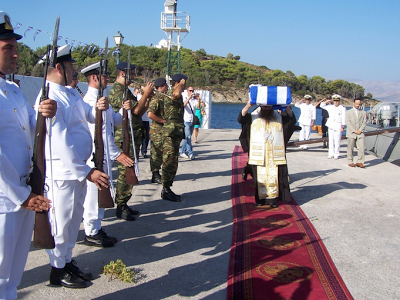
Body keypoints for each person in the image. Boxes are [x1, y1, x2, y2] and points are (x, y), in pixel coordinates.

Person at [34, 44, 110, 289]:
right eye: (70, 66)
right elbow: (59, 140)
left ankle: (66, 261)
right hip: (63, 172)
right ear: (58, 67)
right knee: (61, 222)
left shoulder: (71, 92)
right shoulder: (50, 97)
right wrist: (86, 171)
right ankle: (57, 270)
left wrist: (98, 107)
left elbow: (87, 114)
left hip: (77, 169)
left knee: (73, 219)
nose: (74, 70)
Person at [0, 11, 56, 299]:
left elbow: (31, 132)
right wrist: (21, 195)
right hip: (5, 197)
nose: (16, 54)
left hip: (25, 190)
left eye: (15, 47)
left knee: (13, 274)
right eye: (8, 48)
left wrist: (46, 115)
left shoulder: (11, 89)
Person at [80, 61, 134, 247]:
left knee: (102, 193)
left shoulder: (103, 100)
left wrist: (123, 110)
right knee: (94, 195)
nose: (108, 78)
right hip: (96, 156)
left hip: (104, 156)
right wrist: (117, 154)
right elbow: (101, 132)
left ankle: (96, 227)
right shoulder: (90, 102)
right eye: (105, 76)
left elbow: (114, 122)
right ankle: (91, 232)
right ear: (95, 78)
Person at [108, 62, 153, 221]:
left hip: (133, 135)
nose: (133, 77)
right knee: (124, 172)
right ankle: (120, 206)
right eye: (131, 74)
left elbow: (139, 113)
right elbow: (134, 110)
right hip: (124, 137)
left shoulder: (126, 90)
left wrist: (147, 98)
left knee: (130, 170)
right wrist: (145, 94)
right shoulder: (117, 91)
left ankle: (124, 203)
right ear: (122, 73)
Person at [238, 100, 296, 208]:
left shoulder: (278, 116)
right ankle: (260, 199)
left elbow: (291, 121)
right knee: (259, 177)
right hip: (260, 152)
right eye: (265, 106)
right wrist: (248, 106)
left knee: (274, 175)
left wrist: (287, 107)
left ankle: (273, 200)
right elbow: (241, 119)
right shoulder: (254, 116)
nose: (267, 109)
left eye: (269, 107)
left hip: (273, 152)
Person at [161, 74, 187, 202]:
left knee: (172, 162)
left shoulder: (178, 94)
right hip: (170, 133)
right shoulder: (173, 92)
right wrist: (180, 84)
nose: (185, 85)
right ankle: (165, 189)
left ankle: (167, 188)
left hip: (175, 133)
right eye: (184, 83)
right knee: (169, 161)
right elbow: (176, 94)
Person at [148, 77, 168, 184]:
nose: (167, 87)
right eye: (165, 85)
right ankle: (155, 174)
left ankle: (157, 173)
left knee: (161, 153)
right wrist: (162, 121)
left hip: (162, 131)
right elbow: (150, 114)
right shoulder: (157, 98)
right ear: (161, 87)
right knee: (156, 153)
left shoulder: (163, 97)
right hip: (157, 131)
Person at [320, 94, 346, 159]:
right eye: (334, 100)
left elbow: (344, 118)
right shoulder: (330, 107)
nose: (336, 102)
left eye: (337, 101)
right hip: (331, 125)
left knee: (337, 141)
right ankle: (330, 153)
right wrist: (328, 101)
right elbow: (321, 105)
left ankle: (336, 154)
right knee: (330, 140)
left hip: (338, 125)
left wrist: (343, 126)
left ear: (339, 101)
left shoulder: (342, 108)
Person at [346, 98, 367, 168]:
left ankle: (360, 161)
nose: (358, 105)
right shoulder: (348, 112)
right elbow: (348, 123)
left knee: (361, 147)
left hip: (360, 133)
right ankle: (350, 161)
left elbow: (364, 122)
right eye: (356, 104)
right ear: (353, 103)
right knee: (350, 148)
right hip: (351, 132)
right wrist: (354, 130)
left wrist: (360, 130)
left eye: (359, 104)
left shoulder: (363, 113)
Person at [179, 86, 197, 160]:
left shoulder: (194, 99)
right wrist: (189, 98)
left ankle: (182, 152)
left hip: (192, 120)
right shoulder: (184, 97)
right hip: (185, 120)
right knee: (189, 137)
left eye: (192, 90)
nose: (191, 92)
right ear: (187, 91)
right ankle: (190, 153)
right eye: (190, 90)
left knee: (187, 138)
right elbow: (183, 105)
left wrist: (199, 100)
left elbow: (198, 106)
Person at [135, 85, 151, 158]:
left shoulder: (148, 99)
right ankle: (137, 151)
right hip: (139, 119)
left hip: (146, 119)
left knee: (146, 137)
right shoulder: (137, 98)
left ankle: (144, 151)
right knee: (139, 136)